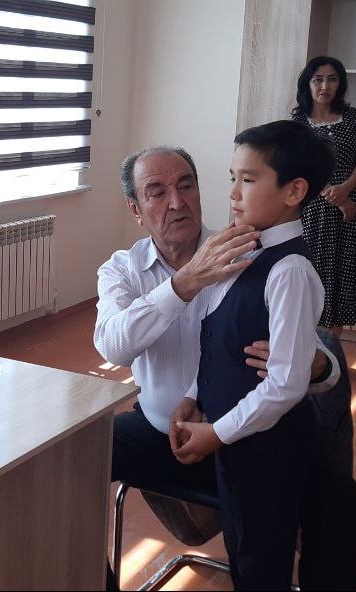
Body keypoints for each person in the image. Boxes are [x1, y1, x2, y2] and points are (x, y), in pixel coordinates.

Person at [96, 144, 352, 590]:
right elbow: (113, 347)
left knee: (334, 503)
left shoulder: (246, 253)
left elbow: (313, 356)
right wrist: (183, 284)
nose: (176, 202)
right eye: (157, 192)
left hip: (248, 437)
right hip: (165, 433)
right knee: (77, 457)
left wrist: (315, 365)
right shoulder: (122, 269)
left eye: (186, 186)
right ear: (135, 209)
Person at [170, 120, 332, 589]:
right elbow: (220, 341)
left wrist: (216, 433)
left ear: (293, 191)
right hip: (236, 440)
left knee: (262, 562)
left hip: (269, 451)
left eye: (248, 179)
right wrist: (194, 394)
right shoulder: (244, 251)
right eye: (232, 178)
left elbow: (286, 384)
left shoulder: (290, 270)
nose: (233, 194)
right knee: (242, 549)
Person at [291, 56, 356, 330]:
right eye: (318, 80)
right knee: (310, 276)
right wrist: (331, 193)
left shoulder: (352, 118)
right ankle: (306, 345)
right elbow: (295, 165)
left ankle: (333, 350)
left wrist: (346, 190)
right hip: (311, 211)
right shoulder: (298, 122)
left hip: (349, 212)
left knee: (342, 282)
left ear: (340, 84)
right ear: (308, 84)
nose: (325, 86)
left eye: (332, 79)